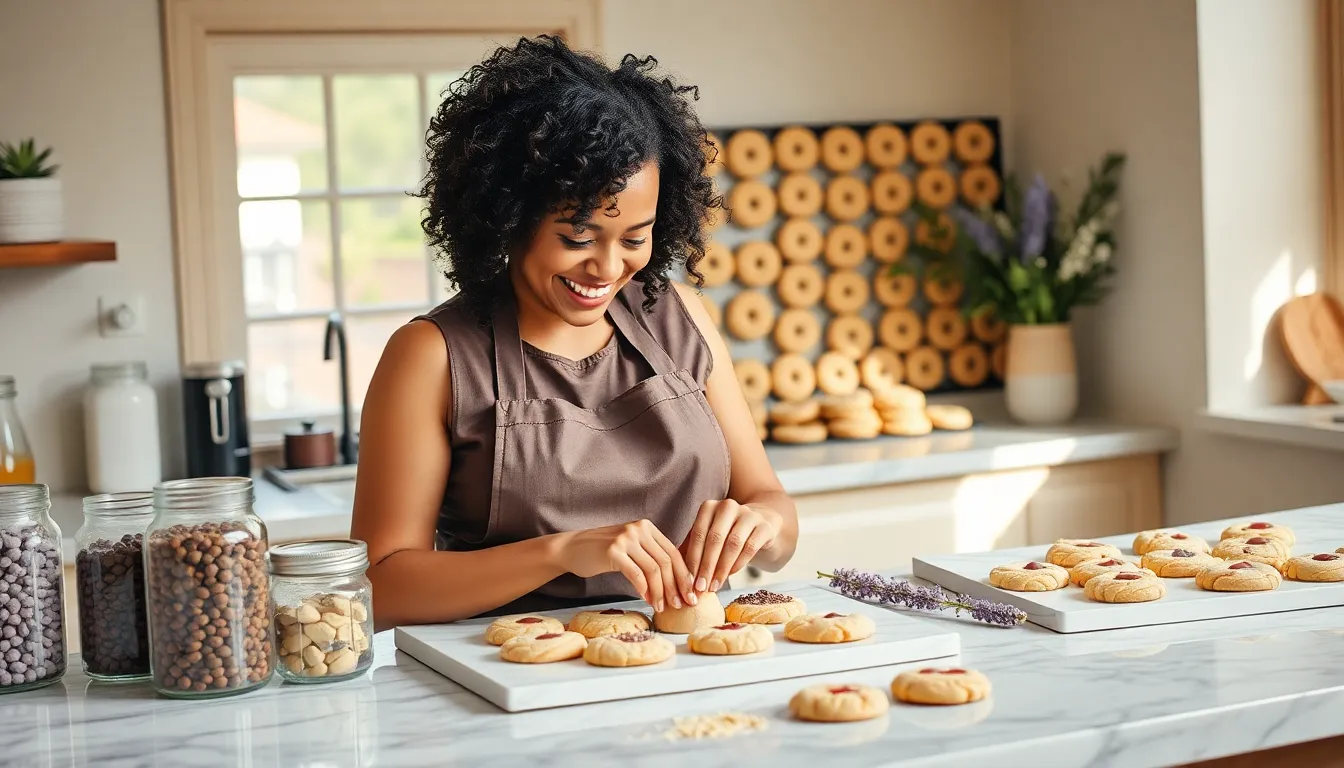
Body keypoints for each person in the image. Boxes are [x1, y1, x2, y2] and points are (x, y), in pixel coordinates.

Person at [351, 35, 798, 629]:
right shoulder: (433, 355)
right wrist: (562, 551)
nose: (609, 269)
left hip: (686, 665)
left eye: (635, 240)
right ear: (508, 218)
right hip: (510, 677)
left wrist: (761, 526)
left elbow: (774, 512)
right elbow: (380, 586)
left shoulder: (679, 316)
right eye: (578, 239)